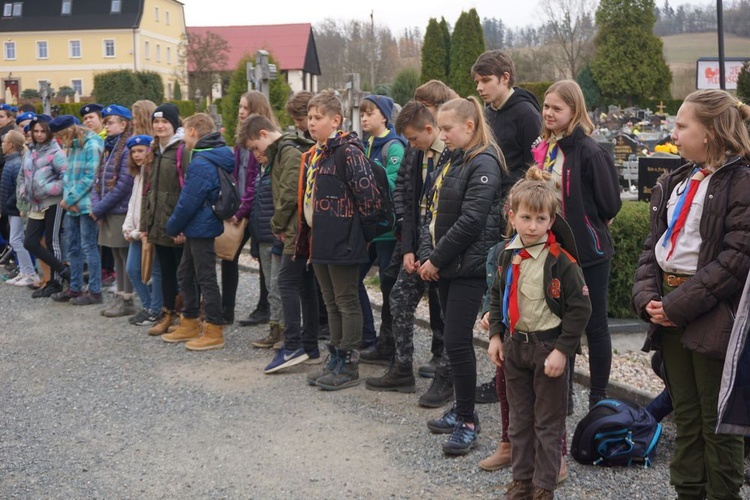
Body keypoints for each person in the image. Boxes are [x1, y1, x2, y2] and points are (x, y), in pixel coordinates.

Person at [632, 90, 750, 500]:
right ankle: (688, 492)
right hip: (668, 306)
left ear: (713, 131)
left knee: (717, 419)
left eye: (682, 126)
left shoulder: (742, 181)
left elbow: (737, 257)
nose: (674, 133)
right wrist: (649, 296)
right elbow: (655, 247)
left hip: (712, 311)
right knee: (685, 413)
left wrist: (676, 307)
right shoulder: (679, 179)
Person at [489, 168, 591, 500]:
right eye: (526, 217)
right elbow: (496, 295)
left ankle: (543, 487)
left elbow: (580, 308)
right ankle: (522, 480)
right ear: (512, 216)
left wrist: (563, 350)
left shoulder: (561, 261)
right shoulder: (507, 254)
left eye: (540, 219)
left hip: (547, 348)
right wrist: (494, 336)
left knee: (547, 423)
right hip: (515, 347)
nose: (532, 226)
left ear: (551, 221)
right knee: (519, 421)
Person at [420, 97, 504, 455]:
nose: (442, 134)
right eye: (440, 128)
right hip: (446, 266)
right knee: (453, 344)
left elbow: (471, 221)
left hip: (467, 268)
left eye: (447, 128)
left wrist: (435, 259)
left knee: (456, 341)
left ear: (469, 127)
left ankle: (469, 420)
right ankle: (463, 409)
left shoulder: (483, 161)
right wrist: (427, 254)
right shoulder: (453, 159)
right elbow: (432, 209)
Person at [472, 48, 545, 461]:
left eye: (485, 81)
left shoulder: (524, 113)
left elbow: (531, 167)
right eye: (478, 84)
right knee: (501, 288)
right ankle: (508, 409)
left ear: (504, 77)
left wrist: (518, 209)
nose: (480, 89)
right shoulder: (491, 113)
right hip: (502, 211)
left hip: (521, 213)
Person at [532, 80, 621, 409]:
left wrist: (585, 222)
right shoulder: (547, 146)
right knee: (558, 322)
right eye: (546, 106)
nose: (549, 113)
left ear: (574, 111)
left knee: (594, 323)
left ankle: (598, 397)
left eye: (557, 108)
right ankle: (563, 395)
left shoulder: (589, 151)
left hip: (588, 252)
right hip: (552, 250)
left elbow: (610, 204)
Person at [365, 100, 451, 395]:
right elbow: (409, 201)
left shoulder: (453, 153)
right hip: (416, 242)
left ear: (429, 129)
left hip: (445, 248)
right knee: (399, 298)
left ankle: (446, 374)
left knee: (450, 313)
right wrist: (408, 249)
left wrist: (437, 256)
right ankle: (402, 368)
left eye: (413, 138)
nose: (410, 144)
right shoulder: (416, 154)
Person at [299, 90, 380, 391]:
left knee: (346, 299)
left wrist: (358, 235)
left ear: (336, 120)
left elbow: (369, 198)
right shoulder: (316, 154)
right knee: (329, 299)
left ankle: (349, 362)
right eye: (309, 117)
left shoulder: (348, 152)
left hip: (344, 240)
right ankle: (334, 355)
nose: (311, 122)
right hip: (319, 239)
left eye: (317, 117)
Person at [238, 114, 319, 372]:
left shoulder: (288, 152)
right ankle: (310, 346)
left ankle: (293, 344)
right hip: (296, 230)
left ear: (264, 134)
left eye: (254, 147)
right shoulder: (282, 152)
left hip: (296, 231)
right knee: (304, 286)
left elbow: (289, 195)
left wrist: (277, 224)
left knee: (286, 281)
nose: (254, 154)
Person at [162, 113, 234, 351]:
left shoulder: (202, 162)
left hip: (201, 226)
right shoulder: (210, 156)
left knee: (205, 278)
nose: (183, 138)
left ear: (193, 131)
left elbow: (189, 200)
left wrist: (173, 226)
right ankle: (190, 321)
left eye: (184, 132)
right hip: (199, 226)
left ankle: (214, 329)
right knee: (186, 272)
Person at [357, 95, 405, 362]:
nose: (364, 118)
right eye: (362, 113)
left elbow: (392, 183)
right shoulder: (368, 144)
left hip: (387, 231)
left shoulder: (393, 147)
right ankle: (368, 336)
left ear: (384, 116)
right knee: (355, 277)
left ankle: (390, 345)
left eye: (370, 113)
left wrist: (368, 171)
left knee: (388, 286)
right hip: (371, 229)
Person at [140, 103, 186, 336]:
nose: (159, 126)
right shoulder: (154, 150)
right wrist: (145, 224)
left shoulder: (181, 150)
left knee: (184, 273)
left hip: (176, 225)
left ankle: (188, 316)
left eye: (164, 122)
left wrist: (181, 226)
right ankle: (168, 313)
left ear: (174, 124)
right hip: (158, 223)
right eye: (156, 122)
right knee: (166, 272)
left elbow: (186, 191)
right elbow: (148, 191)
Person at [51, 115, 105, 305]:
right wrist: (69, 198)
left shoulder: (91, 145)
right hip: (72, 203)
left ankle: (95, 291)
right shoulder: (73, 146)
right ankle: (75, 288)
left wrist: (71, 197)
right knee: (73, 248)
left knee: (89, 247)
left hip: (86, 205)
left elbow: (92, 177)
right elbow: (68, 176)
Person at [91, 105, 136, 317]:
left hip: (119, 209)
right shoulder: (109, 146)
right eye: (106, 122)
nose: (106, 126)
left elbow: (124, 184)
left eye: (110, 122)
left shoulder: (127, 147)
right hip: (108, 209)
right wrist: (96, 204)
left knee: (124, 255)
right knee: (116, 255)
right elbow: (97, 179)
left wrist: (99, 207)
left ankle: (127, 299)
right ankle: (120, 295)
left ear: (124, 124)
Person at [19, 114, 69, 298]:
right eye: (36, 131)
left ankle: (54, 283)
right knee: (30, 242)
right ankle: (64, 271)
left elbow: (66, 179)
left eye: (43, 131)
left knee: (51, 241)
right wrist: (25, 191)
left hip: (53, 202)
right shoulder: (30, 151)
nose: (39, 134)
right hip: (35, 204)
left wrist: (45, 189)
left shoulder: (56, 153)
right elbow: (24, 175)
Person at [224, 92, 263, 326]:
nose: (240, 112)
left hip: (255, 208)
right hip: (239, 205)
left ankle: (264, 307)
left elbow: (254, 182)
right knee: (230, 257)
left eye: (245, 108)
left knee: (262, 258)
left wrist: (241, 211)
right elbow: (237, 174)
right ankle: (226, 308)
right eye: (239, 107)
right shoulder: (240, 142)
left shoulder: (260, 142)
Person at [122, 134, 163, 327]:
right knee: (132, 269)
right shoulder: (138, 173)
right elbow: (133, 203)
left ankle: (156, 309)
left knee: (155, 271)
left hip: (147, 231)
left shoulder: (153, 171)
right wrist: (127, 226)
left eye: (141, 150)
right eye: (134, 152)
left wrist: (140, 230)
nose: (137, 155)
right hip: (136, 231)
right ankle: (148, 305)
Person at [1, 130, 39, 287]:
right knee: (15, 239)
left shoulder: (16, 163)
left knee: (16, 240)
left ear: (10, 145)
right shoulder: (11, 161)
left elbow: (18, 189)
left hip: (16, 208)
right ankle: (24, 271)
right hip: (11, 208)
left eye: (3, 142)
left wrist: (10, 205)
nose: (1, 145)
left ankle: (29, 273)